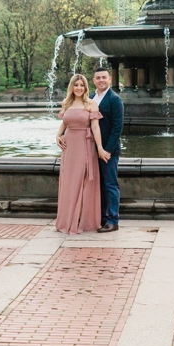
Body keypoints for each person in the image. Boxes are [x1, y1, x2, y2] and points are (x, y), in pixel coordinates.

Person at [54, 74, 110, 234]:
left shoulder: (91, 104)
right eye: (76, 85)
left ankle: (84, 221)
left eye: (82, 85)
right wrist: (57, 135)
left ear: (86, 87)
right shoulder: (67, 103)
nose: (79, 88)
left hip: (85, 146)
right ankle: (68, 219)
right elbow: (64, 122)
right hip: (69, 147)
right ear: (72, 87)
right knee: (70, 182)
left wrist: (100, 148)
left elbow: (95, 128)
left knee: (84, 181)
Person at [88, 67, 124, 232]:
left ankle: (112, 220)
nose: (101, 80)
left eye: (104, 77)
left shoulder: (114, 99)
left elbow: (117, 128)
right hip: (91, 149)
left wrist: (107, 150)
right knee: (98, 185)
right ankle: (101, 217)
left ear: (110, 80)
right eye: (98, 78)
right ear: (94, 81)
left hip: (109, 151)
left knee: (110, 185)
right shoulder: (90, 98)